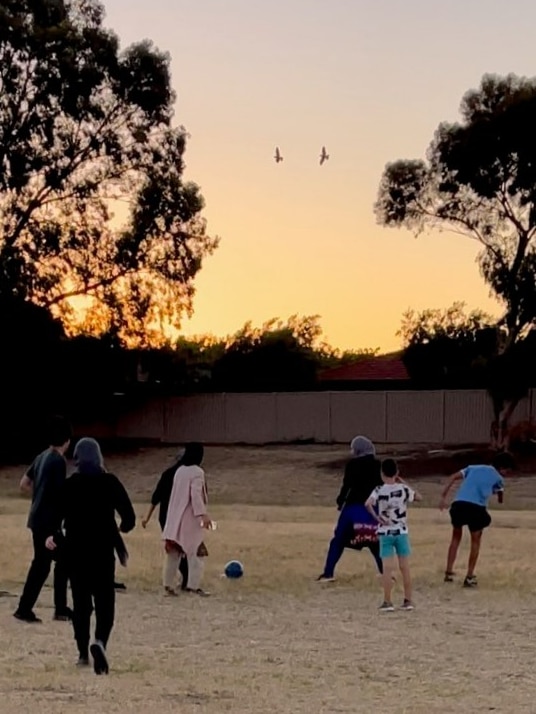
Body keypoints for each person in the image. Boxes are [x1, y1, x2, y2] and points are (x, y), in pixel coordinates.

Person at [46, 438, 136, 675]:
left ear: (76, 459)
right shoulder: (110, 482)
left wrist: (54, 535)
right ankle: (100, 642)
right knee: (105, 603)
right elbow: (129, 518)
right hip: (103, 553)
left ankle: (83, 652)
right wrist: (123, 528)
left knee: (81, 605)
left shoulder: (70, 485)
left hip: (75, 554)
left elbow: (54, 517)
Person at [14, 415, 73, 624]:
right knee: (55, 562)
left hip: (36, 518)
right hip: (47, 521)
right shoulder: (58, 461)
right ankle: (57, 608)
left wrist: (37, 496)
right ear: (67, 441)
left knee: (43, 563)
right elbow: (58, 497)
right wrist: (55, 528)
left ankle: (29, 607)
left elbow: (24, 483)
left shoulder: (41, 456)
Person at [439, 451, 515, 588]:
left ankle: (448, 572)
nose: (507, 473)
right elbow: (500, 498)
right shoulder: (499, 478)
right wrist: (498, 492)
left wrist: (443, 497)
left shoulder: (472, 468)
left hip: (458, 504)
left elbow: (452, 477)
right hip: (476, 508)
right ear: (503, 468)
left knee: (456, 537)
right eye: (507, 470)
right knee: (475, 541)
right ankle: (469, 576)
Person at [317, 436, 384, 583]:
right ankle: (385, 572)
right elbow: (381, 487)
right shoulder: (378, 465)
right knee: (375, 541)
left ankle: (328, 573)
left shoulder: (352, 465)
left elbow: (347, 486)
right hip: (372, 508)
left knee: (339, 540)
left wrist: (340, 501)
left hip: (353, 508)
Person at [366, 458, 422, 612]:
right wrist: (403, 481)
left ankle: (387, 601)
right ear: (396, 472)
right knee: (405, 567)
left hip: (386, 532)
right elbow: (418, 497)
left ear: (382, 474)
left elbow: (368, 503)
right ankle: (408, 600)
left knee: (387, 568)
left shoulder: (379, 490)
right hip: (401, 531)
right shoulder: (403, 489)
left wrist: (377, 518)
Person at [162, 442, 212, 596]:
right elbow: (196, 495)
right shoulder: (197, 472)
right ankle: (193, 586)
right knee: (196, 553)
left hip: (174, 518)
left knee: (174, 553)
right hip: (189, 519)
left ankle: (168, 585)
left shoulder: (179, 471)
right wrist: (203, 514)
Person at [141, 451, 190, 589]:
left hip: (166, 517)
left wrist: (147, 517)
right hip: (177, 517)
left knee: (175, 548)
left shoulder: (168, 474)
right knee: (181, 547)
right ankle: (183, 577)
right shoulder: (186, 476)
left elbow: (156, 497)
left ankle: (181, 577)